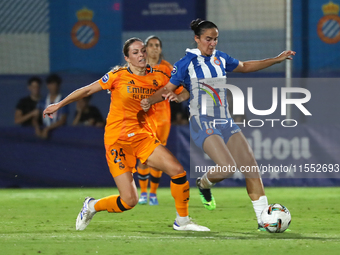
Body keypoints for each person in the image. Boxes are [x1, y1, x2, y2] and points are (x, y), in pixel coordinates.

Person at [141, 19, 296, 231]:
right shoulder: (185, 63)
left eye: (215, 39)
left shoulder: (220, 58)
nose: (212, 43)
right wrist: (149, 100)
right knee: (228, 167)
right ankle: (204, 184)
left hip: (225, 121)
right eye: (208, 39)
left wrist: (276, 60)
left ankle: (263, 220)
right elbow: (168, 88)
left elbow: (245, 66)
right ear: (197, 39)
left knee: (250, 166)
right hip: (201, 121)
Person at [43, 37, 209, 232]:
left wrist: (177, 96)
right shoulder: (117, 75)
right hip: (117, 141)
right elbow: (87, 90)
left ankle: (182, 220)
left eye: (143, 51)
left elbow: (185, 92)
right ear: (127, 58)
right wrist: (59, 104)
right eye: (136, 52)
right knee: (129, 201)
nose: (141, 55)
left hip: (142, 137)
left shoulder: (159, 76)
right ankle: (91, 206)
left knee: (178, 171)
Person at [137, 35, 183, 206]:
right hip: (144, 117)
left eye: (157, 45)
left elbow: (179, 89)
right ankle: (142, 192)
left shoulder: (167, 68)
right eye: (151, 45)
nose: (154, 48)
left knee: (158, 155)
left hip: (163, 119)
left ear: (160, 49)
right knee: (142, 155)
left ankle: (153, 194)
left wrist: (176, 96)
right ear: (146, 49)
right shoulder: (138, 68)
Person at [36, 74, 68, 139]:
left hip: (59, 133)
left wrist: (47, 129)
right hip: (44, 133)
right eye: (51, 84)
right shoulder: (43, 101)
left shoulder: (63, 101)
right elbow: (36, 117)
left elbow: (62, 120)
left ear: (58, 86)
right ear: (47, 86)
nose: (53, 87)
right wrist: (37, 128)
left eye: (55, 85)